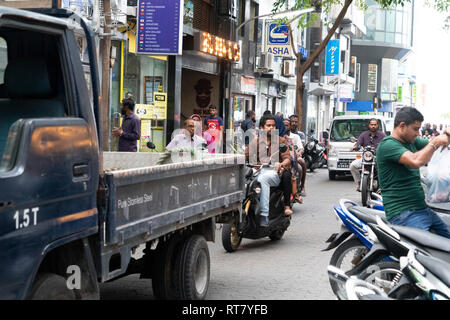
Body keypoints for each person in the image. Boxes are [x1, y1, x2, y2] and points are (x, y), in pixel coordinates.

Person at [376, 107, 450, 238]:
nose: (418, 133)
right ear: (402, 126)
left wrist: (446, 135)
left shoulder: (411, 141)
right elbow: (416, 160)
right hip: (403, 213)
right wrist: (435, 143)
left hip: (422, 209)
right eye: (415, 129)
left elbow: (433, 143)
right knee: (429, 252)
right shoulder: (387, 145)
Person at [245, 114, 293, 226]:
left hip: (274, 174)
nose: (271, 128)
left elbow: (287, 158)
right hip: (256, 172)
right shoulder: (255, 141)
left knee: (263, 179)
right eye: (268, 125)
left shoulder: (281, 141)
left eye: (273, 126)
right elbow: (245, 155)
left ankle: (264, 214)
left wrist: (280, 163)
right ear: (261, 128)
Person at [349, 119, 386, 191]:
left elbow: (387, 144)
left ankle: (382, 185)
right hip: (366, 158)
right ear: (369, 125)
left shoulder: (382, 135)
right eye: (371, 124)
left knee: (384, 168)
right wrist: (354, 147)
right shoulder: (364, 135)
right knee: (353, 166)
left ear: (377, 126)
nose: (373, 126)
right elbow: (358, 144)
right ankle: (359, 183)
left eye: (375, 125)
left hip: (377, 158)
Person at [283, 119, 304, 204]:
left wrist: (298, 154)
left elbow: (296, 150)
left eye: (287, 125)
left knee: (298, 168)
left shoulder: (293, 138)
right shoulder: (277, 136)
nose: (285, 127)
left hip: (291, 159)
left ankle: (297, 191)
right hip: (279, 160)